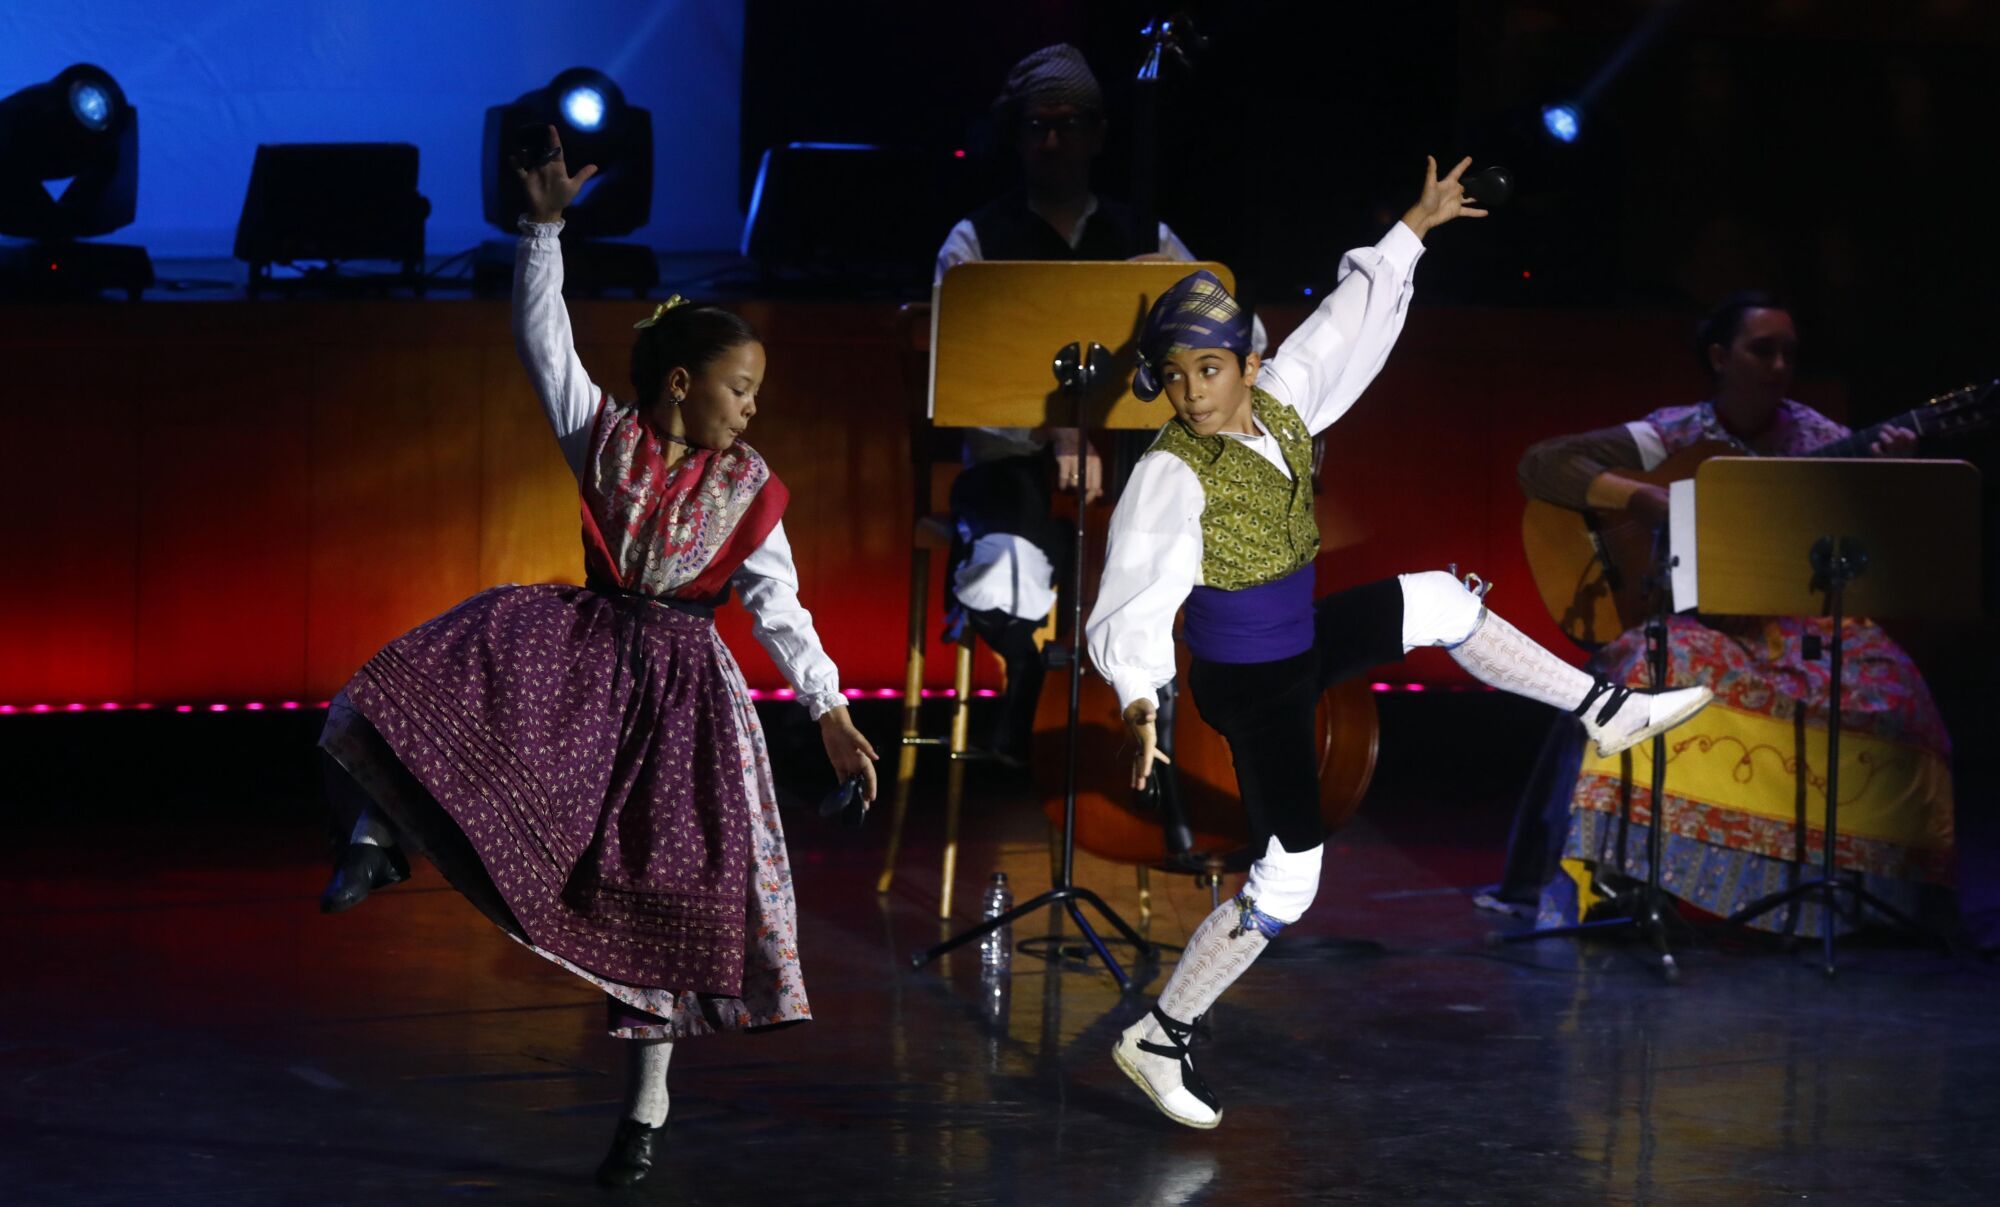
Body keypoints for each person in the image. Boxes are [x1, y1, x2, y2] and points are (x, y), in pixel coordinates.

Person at [1086, 156, 1714, 1130]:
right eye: (1173, 379)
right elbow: (1134, 590)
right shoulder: (1172, 470)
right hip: (1247, 685)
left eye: (1207, 370)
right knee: (1289, 878)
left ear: (1248, 363)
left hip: (1293, 641)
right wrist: (1137, 695)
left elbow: (1341, 327)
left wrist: (1412, 228)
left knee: (1435, 599)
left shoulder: (1285, 402)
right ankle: (1159, 1033)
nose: (1192, 393)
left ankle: (1606, 708)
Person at [313, 127, 877, 1187]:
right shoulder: (609, 438)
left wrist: (829, 708)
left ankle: (646, 1114)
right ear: (680, 383)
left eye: (756, 391)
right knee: (449, 676)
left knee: (663, 886)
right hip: (584, 653)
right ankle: (378, 831)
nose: (752, 406)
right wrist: (541, 228)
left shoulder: (748, 489)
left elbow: (779, 606)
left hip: (681, 694)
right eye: (739, 386)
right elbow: (544, 345)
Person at [1503, 290, 1954, 938]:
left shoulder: (1822, 440)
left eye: (1789, 354)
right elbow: (1542, 464)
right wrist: (1647, 500)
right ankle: (1619, 879)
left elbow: (1874, 558)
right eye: (1761, 349)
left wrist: (1892, 484)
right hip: (1700, 620)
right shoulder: (1677, 433)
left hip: (1794, 620)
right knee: (1648, 663)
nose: (1778, 366)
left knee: (1898, 689)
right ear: (1720, 356)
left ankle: (1876, 896)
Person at [935, 42, 1262, 761]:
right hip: (1016, 469)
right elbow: (954, 367)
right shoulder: (976, 241)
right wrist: (1053, 432)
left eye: (1070, 124)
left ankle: (1161, 721)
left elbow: (1237, 332)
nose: (1053, 141)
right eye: (1036, 126)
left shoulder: (1146, 235)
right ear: (1015, 135)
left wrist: (1177, 288)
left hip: (1129, 467)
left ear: (1098, 135)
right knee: (1000, 565)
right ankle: (1027, 672)